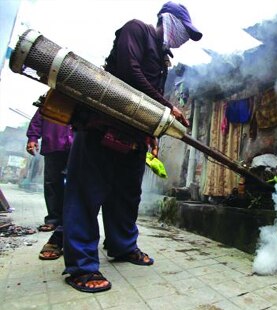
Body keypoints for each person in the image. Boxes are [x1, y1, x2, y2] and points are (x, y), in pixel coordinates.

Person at [62, 1, 201, 293]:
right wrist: (167, 107)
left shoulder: (164, 61)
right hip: (101, 128)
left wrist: (151, 136)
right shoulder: (136, 30)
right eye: (184, 30)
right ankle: (82, 267)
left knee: (126, 197)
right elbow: (128, 71)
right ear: (167, 20)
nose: (184, 38)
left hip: (134, 139)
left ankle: (122, 246)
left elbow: (146, 109)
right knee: (86, 196)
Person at [26, 107, 73, 260]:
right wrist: (32, 138)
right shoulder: (51, 97)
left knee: (74, 185)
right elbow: (40, 116)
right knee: (52, 182)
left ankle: (65, 221)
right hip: (53, 143)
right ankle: (53, 219)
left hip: (75, 146)